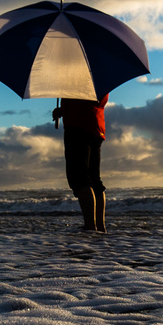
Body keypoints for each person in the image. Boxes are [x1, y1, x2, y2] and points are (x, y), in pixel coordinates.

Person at [51, 93, 109, 231]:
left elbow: (78, 102)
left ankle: (90, 226)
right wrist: (63, 111)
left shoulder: (75, 79)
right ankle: (99, 227)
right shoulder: (99, 79)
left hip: (78, 127)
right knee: (94, 180)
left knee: (80, 179)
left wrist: (64, 110)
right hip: (96, 126)